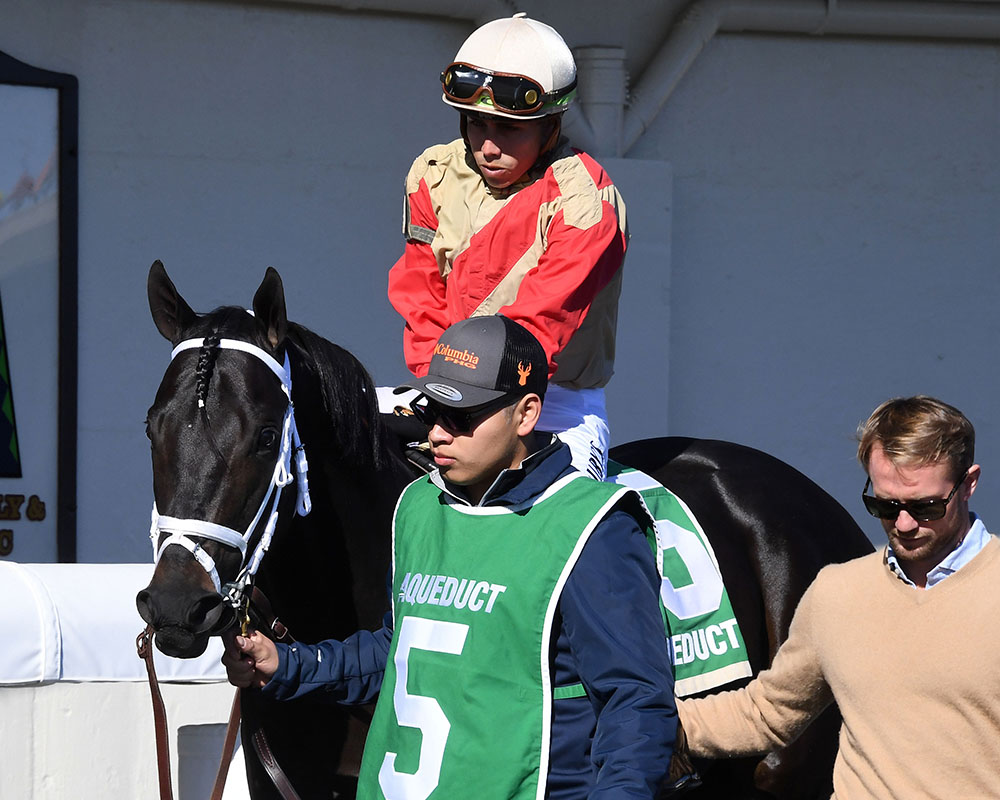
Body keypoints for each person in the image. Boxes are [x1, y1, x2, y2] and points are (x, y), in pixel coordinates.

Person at [225, 315, 679, 798]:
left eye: (460, 417)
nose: (438, 433)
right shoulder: (417, 505)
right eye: (431, 411)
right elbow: (402, 650)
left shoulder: (594, 527)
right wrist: (289, 664)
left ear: (525, 414)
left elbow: (634, 704)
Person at [675, 395, 1000, 798]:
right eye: (884, 504)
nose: (903, 524)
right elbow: (767, 711)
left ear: (969, 484)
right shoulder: (837, 591)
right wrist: (645, 721)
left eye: (926, 507)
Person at [386, 13, 628, 480]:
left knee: (554, 529)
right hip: (442, 387)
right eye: (476, 124)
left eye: (511, 130)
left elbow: (537, 327)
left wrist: (464, 400)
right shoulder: (431, 174)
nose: (488, 147)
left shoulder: (586, 199)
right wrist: (442, 390)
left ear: (551, 125)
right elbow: (420, 296)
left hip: (550, 406)